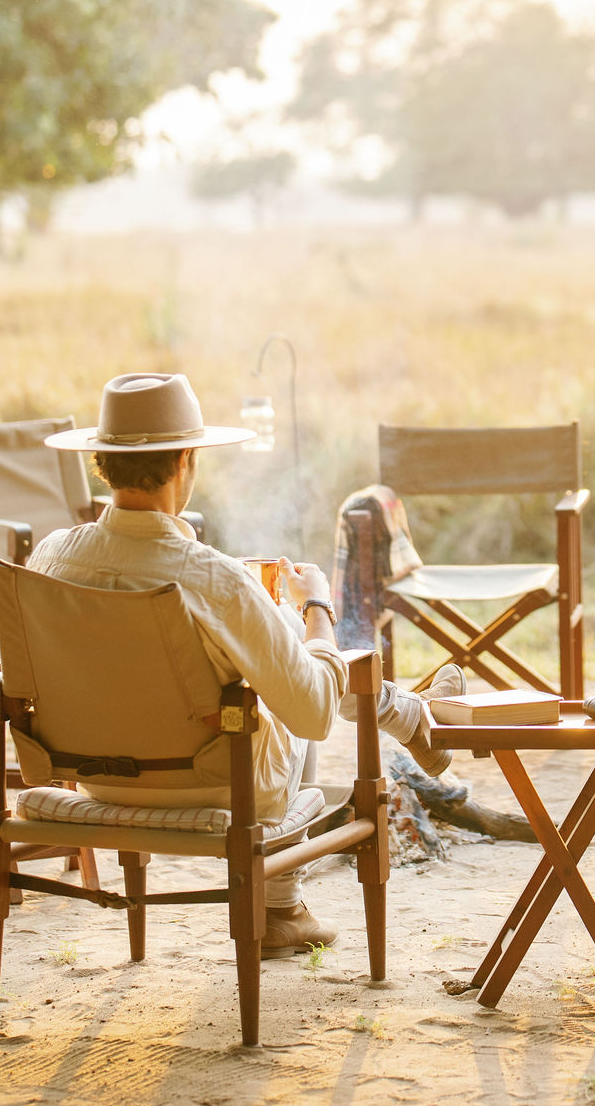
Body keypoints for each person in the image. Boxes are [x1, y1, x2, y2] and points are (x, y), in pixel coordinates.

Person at [30, 373, 464, 955]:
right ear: (186, 459)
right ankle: (283, 902)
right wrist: (315, 606)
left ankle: (410, 714)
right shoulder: (211, 578)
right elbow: (311, 713)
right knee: (293, 671)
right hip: (213, 786)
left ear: (100, 462)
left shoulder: (51, 557)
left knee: (270, 652)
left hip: (95, 779)